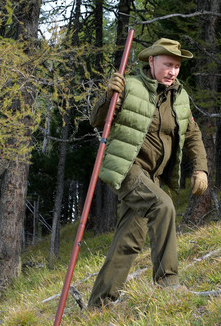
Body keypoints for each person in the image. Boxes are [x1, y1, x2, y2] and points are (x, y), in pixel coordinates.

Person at [87, 38, 210, 308]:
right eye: (168, 65)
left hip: (152, 176)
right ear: (151, 62)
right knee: (163, 206)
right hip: (126, 168)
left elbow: (192, 134)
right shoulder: (130, 86)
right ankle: (168, 282)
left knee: (129, 240)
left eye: (177, 66)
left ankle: (99, 304)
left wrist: (200, 167)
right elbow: (97, 120)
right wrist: (109, 97)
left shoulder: (180, 96)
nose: (173, 71)